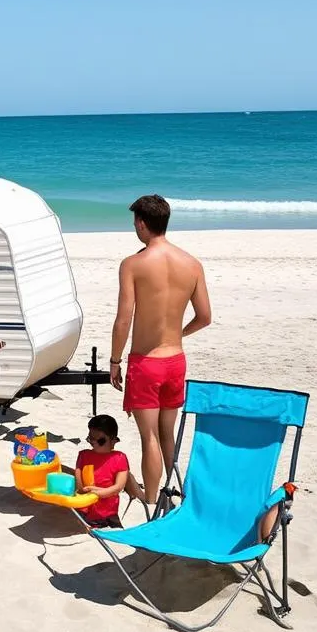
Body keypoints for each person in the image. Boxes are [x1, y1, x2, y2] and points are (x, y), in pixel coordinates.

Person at [111, 194, 212, 504]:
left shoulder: (133, 264)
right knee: (168, 434)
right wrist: (178, 333)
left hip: (146, 363)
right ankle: (174, 496)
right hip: (175, 361)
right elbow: (205, 317)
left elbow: (123, 320)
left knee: (149, 437)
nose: (134, 229)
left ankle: (153, 500)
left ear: (142, 224)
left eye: (134, 224)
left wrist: (115, 361)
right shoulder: (191, 264)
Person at [74, 415, 132, 528]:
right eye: (90, 439)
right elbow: (80, 485)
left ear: (113, 440)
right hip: (84, 508)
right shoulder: (84, 455)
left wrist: (96, 492)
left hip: (107, 512)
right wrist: (88, 492)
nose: (94, 443)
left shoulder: (119, 457)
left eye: (100, 440)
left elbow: (118, 487)